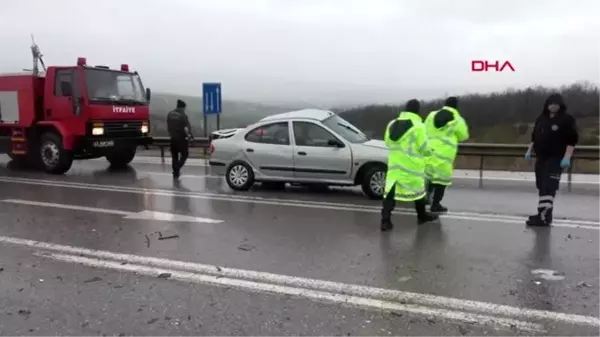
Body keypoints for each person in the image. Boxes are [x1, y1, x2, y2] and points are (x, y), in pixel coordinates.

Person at [381, 99, 439, 231]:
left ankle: (385, 220)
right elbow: (424, 147)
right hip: (412, 167)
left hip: (395, 166)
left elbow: (388, 143)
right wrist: (430, 152)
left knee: (390, 193)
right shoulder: (419, 126)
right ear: (418, 110)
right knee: (419, 192)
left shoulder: (392, 124)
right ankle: (422, 215)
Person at [525, 93, 578, 227]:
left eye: (556, 104)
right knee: (541, 186)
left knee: (549, 187)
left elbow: (571, 140)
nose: (553, 106)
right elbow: (534, 136)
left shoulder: (566, 119)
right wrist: (529, 150)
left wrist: (567, 157)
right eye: (551, 104)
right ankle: (542, 214)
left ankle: (544, 217)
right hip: (541, 157)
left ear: (560, 105)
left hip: (556, 158)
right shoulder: (542, 119)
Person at [423, 97, 469, 213]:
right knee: (441, 180)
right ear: (456, 106)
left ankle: (426, 198)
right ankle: (436, 204)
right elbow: (463, 136)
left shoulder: (431, 115)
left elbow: (424, 130)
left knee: (429, 176)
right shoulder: (457, 119)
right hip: (444, 154)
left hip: (429, 151)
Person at [167, 99, 194, 178]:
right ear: (182, 107)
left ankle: (175, 172)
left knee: (174, 156)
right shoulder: (183, 115)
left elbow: (168, 126)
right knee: (185, 154)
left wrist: (171, 134)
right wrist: (191, 137)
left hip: (173, 139)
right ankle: (177, 168)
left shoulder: (170, 114)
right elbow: (187, 128)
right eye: (184, 108)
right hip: (182, 139)